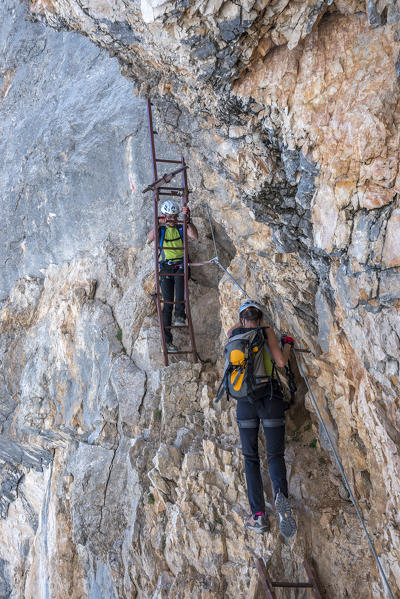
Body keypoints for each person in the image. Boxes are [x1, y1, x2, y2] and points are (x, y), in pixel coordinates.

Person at [227, 300, 297, 538]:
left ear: (242, 319)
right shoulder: (266, 332)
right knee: (275, 455)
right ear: (261, 318)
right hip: (270, 399)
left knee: (250, 458)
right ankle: (280, 498)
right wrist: (286, 344)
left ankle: (258, 515)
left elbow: (236, 327)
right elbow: (281, 362)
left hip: (245, 404)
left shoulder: (233, 334)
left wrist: (243, 320)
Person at [147, 200, 198, 353]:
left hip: (180, 265)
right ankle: (167, 341)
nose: (173, 220)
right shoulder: (161, 230)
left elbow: (194, 236)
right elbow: (149, 239)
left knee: (180, 293)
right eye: (170, 217)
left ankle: (180, 315)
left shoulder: (181, 228)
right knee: (167, 303)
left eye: (175, 217)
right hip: (165, 266)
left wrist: (187, 220)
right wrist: (158, 224)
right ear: (164, 216)